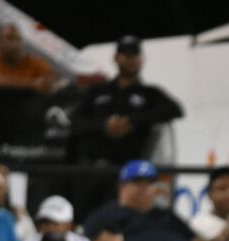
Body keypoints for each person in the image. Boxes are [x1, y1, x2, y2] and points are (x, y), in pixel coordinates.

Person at [69, 35, 183, 165]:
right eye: (127, 55)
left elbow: (176, 109)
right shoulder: (97, 91)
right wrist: (105, 125)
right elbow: (75, 122)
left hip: (130, 171)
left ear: (141, 59)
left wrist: (130, 120)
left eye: (135, 55)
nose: (131, 60)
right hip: (92, 168)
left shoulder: (149, 93)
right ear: (117, 58)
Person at [81, 160, 197, 241]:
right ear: (122, 187)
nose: (145, 188)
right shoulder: (104, 217)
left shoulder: (167, 215)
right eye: (138, 183)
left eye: (150, 183)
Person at [0, 23, 58, 92]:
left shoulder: (36, 63)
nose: (15, 43)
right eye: (9, 38)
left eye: (18, 39)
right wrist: (33, 84)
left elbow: (53, 83)